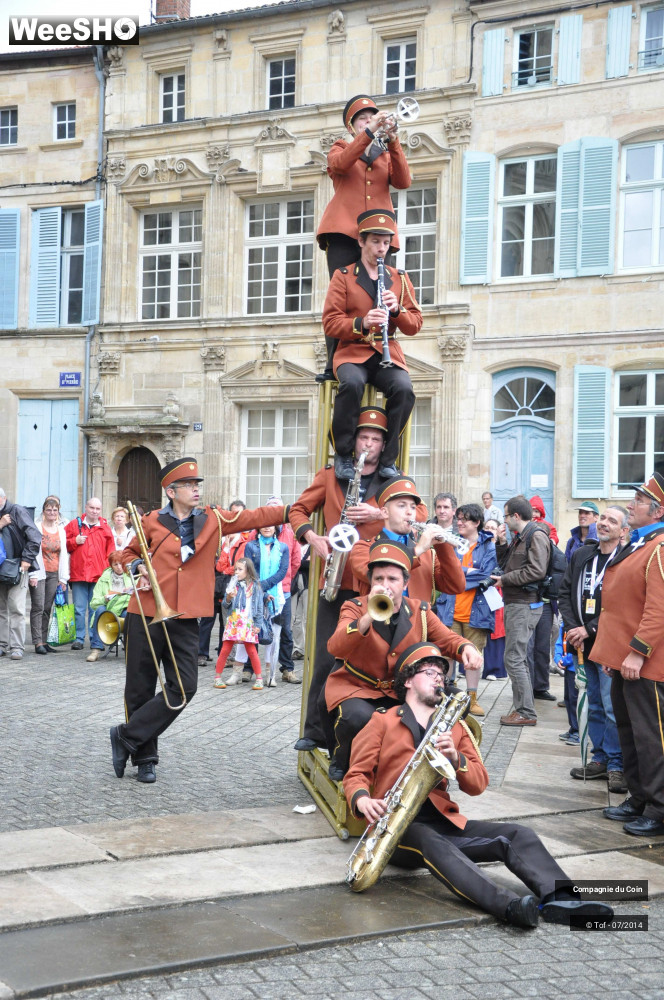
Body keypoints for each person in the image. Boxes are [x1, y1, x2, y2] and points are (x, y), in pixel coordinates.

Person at [344, 648, 615, 929]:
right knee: (427, 838)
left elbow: (479, 783)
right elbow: (356, 775)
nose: (438, 679)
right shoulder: (382, 720)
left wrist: (456, 759)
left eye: (442, 675)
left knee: (517, 835)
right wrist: (362, 800)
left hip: (442, 824)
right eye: (430, 672)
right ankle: (509, 906)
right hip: (393, 829)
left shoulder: (455, 727)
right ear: (408, 680)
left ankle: (563, 900)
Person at [110, 458, 288, 784]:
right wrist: (138, 568)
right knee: (139, 687)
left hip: (187, 615)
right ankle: (145, 758)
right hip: (145, 612)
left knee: (184, 687)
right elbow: (127, 554)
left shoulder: (213, 519)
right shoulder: (151, 521)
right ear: (171, 491)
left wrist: (293, 512)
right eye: (189, 485)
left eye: (197, 484)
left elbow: (255, 517)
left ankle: (126, 735)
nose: (196, 489)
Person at [290, 406, 426, 751]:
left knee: (371, 662)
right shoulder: (331, 475)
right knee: (325, 657)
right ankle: (315, 731)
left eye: (375, 439)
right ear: (355, 441)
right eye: (363, 437)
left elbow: (418, 514)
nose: (368, 444)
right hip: (334, 580)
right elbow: (298, 510)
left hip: (374, 586)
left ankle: (361, 740)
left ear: (383, 445)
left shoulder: (395, 479)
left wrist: (378, 512)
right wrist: (311, 537)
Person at [325, 539, 483, 780]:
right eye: (379, 579)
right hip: (360, 687)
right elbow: (335, 646)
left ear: (405, 583)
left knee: (455, 701)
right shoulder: (354, 606)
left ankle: (425, 760)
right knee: (358, 717)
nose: (385, 585)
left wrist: (467, 647)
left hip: (401, 689)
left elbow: (448, 639)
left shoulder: (420, 610)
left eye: (392, 579)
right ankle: (343, 760)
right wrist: (368, 616)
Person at [315, 94, 411, 383]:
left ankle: (381, 354)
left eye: (372, 117)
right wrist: (370, 132)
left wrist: (393, 141)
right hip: (344, 233)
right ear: (351, 126)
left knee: (380, 293)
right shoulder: (340, 148)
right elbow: (342, 164)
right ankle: (334, 363)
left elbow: (404, 181)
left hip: (379, 235)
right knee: (341, 299)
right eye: (363, 119)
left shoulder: (384, 153)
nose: (370, 121)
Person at [323, 210, 422, 481]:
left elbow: (415, 324)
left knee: (404, 389)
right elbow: (330, 323)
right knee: (351, 384)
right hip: (352, 351)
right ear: (361, 242)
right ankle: (344, 453)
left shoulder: (399, 278)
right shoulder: (344, 276)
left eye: (386, 243)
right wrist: (363, 322)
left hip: (386, 352)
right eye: (376, 242)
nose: (381, 249)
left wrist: (397, 309)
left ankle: (389, 459)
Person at [591, 473, 664, 837]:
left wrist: (636, 653)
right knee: (629, 732)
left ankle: (659, 808)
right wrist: (614, 654)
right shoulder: (641, 543)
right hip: (625, 661)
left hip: (647, 664)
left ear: (658, 510)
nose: (631, 505)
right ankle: (639, 797)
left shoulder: (660, 547)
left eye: (638, 500)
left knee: (650, 738)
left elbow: (658, 608)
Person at [558, 505, 628, 791]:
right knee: (594, 704)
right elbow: (564, 593)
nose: (604, 523)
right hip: (583, 644)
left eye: (612, 520)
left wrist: (589, 628)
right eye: (603, 518)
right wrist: (574, 628)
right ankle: (600, 758)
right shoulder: (582, 555)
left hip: (609, 644)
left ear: (624, 531)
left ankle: (617, 765)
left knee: (611, 707)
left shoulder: (626, 558)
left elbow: (624, 605)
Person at [349, 475, 465, 603]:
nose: (410, 512)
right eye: (402, 506)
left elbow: (456, 586)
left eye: (413, 507)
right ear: (385, 512)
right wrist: (417, 550)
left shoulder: (428, 554)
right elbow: (379, 573)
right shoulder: (363, 548)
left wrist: (443, 545)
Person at [491, 496, 550, 727]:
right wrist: (501, 543)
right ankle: (523, 709)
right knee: (517, 657)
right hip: (516, 602)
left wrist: (505, 580)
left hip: (524, 604)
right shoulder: (521, 536)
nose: (504, 521)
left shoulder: (536, 535)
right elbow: (506, 565)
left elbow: (537, 570)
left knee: (514, 658)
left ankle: (525, 711)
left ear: (516, 516)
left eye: (506, 516)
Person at [434, 503, 496, 716]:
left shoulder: (488, 546)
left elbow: (486, 575)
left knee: (474, 656)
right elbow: (442, 570)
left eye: (464, 519)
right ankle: (446, 695)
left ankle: (471, 698)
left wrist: (458, 575)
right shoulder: (450, 542)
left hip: (476, 610)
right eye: (458, 519)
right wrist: (469, 572)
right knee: (447, 654)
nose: (459, 522)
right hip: (449, 608)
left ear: (477, 523)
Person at [203, 500, 248, 667]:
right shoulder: (224, 539)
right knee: (215, 619)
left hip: (236, 585)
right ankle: (216, 654)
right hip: (220, 585)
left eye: (239, 513)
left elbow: (239, 567)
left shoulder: (244, 540)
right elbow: (220, 566)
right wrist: (227, 550)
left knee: (231, 620)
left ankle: (232, 656)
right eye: (233, 512)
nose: (236, 516)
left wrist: (229, 568)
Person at [65, 499, 115, 652]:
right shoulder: (74, 525)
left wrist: (108, 572)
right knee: (79, 609)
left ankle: (96, 639)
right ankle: (79, 639)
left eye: (97, 508)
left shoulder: (105, 527)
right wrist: (74, 541)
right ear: (86, 507)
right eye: (92, 507)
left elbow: (111, 552)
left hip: (99, 576)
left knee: (96, 609)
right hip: (79, 573)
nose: (94, 511)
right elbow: (62, 544)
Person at [244, 525, 289, 687]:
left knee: (274, 636)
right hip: (254, 595)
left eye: (270, 525)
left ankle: (271, 675)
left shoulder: (283, 547)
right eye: (263, 525)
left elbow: (282, 571)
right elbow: (249, 570)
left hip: (276, 596)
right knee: (250, 632)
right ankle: (248, 672)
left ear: (276, 528)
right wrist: (259, 589)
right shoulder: (250, 546)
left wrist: (263, 585)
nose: (267, 528)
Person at [0, 488, 42, 660]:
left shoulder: (17, 511)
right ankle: (2, 645)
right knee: (0, 609)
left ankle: (17, 647)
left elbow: (35, 536)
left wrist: (27, 559)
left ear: (3, 498)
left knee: (17, 608)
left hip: (17, 567)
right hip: (0, 568)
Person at [213, 557, 263, 690]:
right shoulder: (233, 584)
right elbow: (225, 604)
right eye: (235, 569)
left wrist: (258, 625)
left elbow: (259, 608)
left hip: (247, 622)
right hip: (234, 621)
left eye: (240, 569)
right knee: (225, 649)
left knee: (251, 650)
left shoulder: (255, 586)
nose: (236, 572)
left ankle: (259, 679)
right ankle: (217, 677)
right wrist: (229, 597)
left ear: (248, 571)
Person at [28, 496, 69, 654]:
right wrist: (32, 574)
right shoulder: (37, 527)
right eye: (49, 510)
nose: (52, 512)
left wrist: (63, 578)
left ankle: (44, 641)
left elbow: (64, 555)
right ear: (43, 511)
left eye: (55, 510)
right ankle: (37, 642)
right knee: (38, 607)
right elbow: (31, 551)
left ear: (58, 512)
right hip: (39, 572)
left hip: (54, 573)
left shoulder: (61, 530)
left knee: (47, 607)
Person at [87, 551, 133, 660]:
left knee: (129, 613)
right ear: (111, 566)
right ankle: (96, 650)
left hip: (122, 609)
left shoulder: (131, 576)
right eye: (115, 564)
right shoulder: (103, 579)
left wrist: (130, 593)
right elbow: (93, 603)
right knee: (100, 610)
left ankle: (130, 651)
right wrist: (105, 599)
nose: (119, 567)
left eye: (121, 564)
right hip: (107, 610)